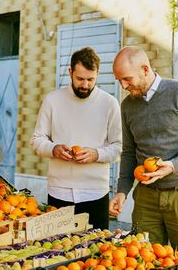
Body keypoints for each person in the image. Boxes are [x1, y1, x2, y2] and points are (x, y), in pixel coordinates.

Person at [109, 45, 178, 252]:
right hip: (146, 196)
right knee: (142, 256)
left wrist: (173, 166)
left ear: (145, 70)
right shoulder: (127, 106)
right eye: (119, 80)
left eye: (127, 79)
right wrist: (122, 192)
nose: (123, 85)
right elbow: (129, 152)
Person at [31, 47, 122, 229]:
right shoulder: (52, 101)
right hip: (58, 192)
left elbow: (118, 147)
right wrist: (54, 149)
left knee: (96, 252)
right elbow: (37, 139)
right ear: (70, 72)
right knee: (56, 250)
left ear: (97, 74)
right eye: (80, 79)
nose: (85, 85)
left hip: (96, 194)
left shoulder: (110, 103)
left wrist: (96, 154)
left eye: (91, 79)